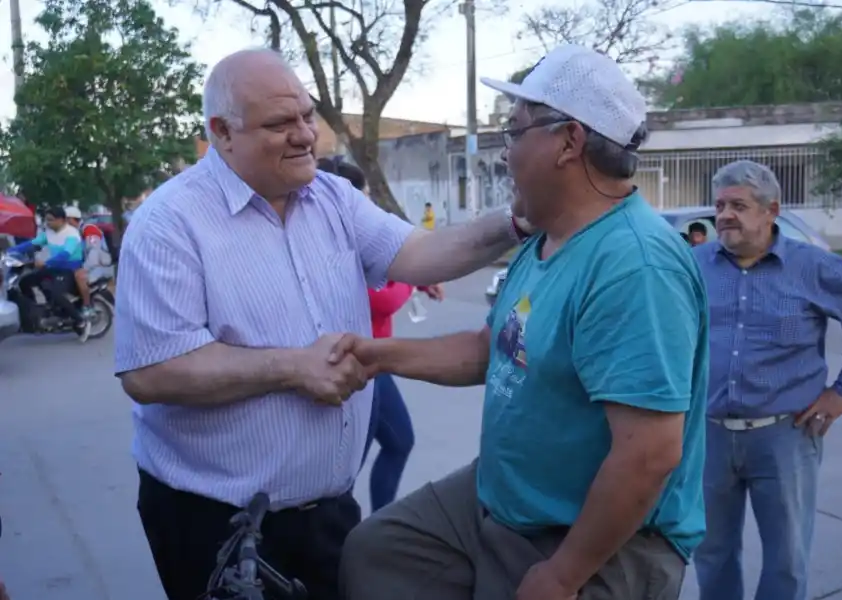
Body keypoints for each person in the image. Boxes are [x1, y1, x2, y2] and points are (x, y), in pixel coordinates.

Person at [114, 47, 532, 600]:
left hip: (329, 513)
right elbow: (153, 371)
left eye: (307, 116)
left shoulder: (332, 196)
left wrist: (516, 221)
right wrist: (292, 367)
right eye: (280, 123)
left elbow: (422, 253)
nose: (305, 135)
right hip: (217, 527)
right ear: (221, 132)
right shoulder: (169, 224)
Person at [335, 44, 709, 600]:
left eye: (515, 131)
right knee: (377, 555)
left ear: (568, 142)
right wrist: (375, 355)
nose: (504, 152)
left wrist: (562, 575)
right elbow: (493, 350)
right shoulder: (546, 239)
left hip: (593, 537)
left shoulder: (634, 265)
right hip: (507, 498)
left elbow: (648, 454)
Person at [691, 160, 842, 600]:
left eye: (739, 205)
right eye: (720, 204)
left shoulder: (813, 268)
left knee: (785, 560)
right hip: (707, 436)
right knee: (711, 553)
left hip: (785, 436)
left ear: (772, 211)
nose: (725, 214)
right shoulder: (694, 266)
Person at [317, 157, 445, 511]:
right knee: (382, 447)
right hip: (359, 365)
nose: (369, 206)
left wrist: (417, 279)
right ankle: (367, 526)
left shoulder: (356, 243)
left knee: (382, 446)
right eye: (364, 197)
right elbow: (385, 300)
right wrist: (411, 282)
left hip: (373, 363)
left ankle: (372, 522)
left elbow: (394, 273)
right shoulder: (335, 253)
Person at [11, 206, 90, 341]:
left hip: (68, 270)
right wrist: (10, 251)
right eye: (46, 220)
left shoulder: (72, 234)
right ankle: (36, 313)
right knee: (25, 282)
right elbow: (32, 244)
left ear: (62, 220)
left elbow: (65, 254)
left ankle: (80, 319)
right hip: (53, 268)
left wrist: (46, 262)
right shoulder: (49, 233)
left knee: (56, 293)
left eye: (51, 220)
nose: (48, 223)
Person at [64, 206, 106, 316]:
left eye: (66, 220)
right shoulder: (75, 233)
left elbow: (94, 253)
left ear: (71, 219)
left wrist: (84, 269)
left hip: (99, 266)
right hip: (90, 265)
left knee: (79, 276)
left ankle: (87, 306)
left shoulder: (89, 229)